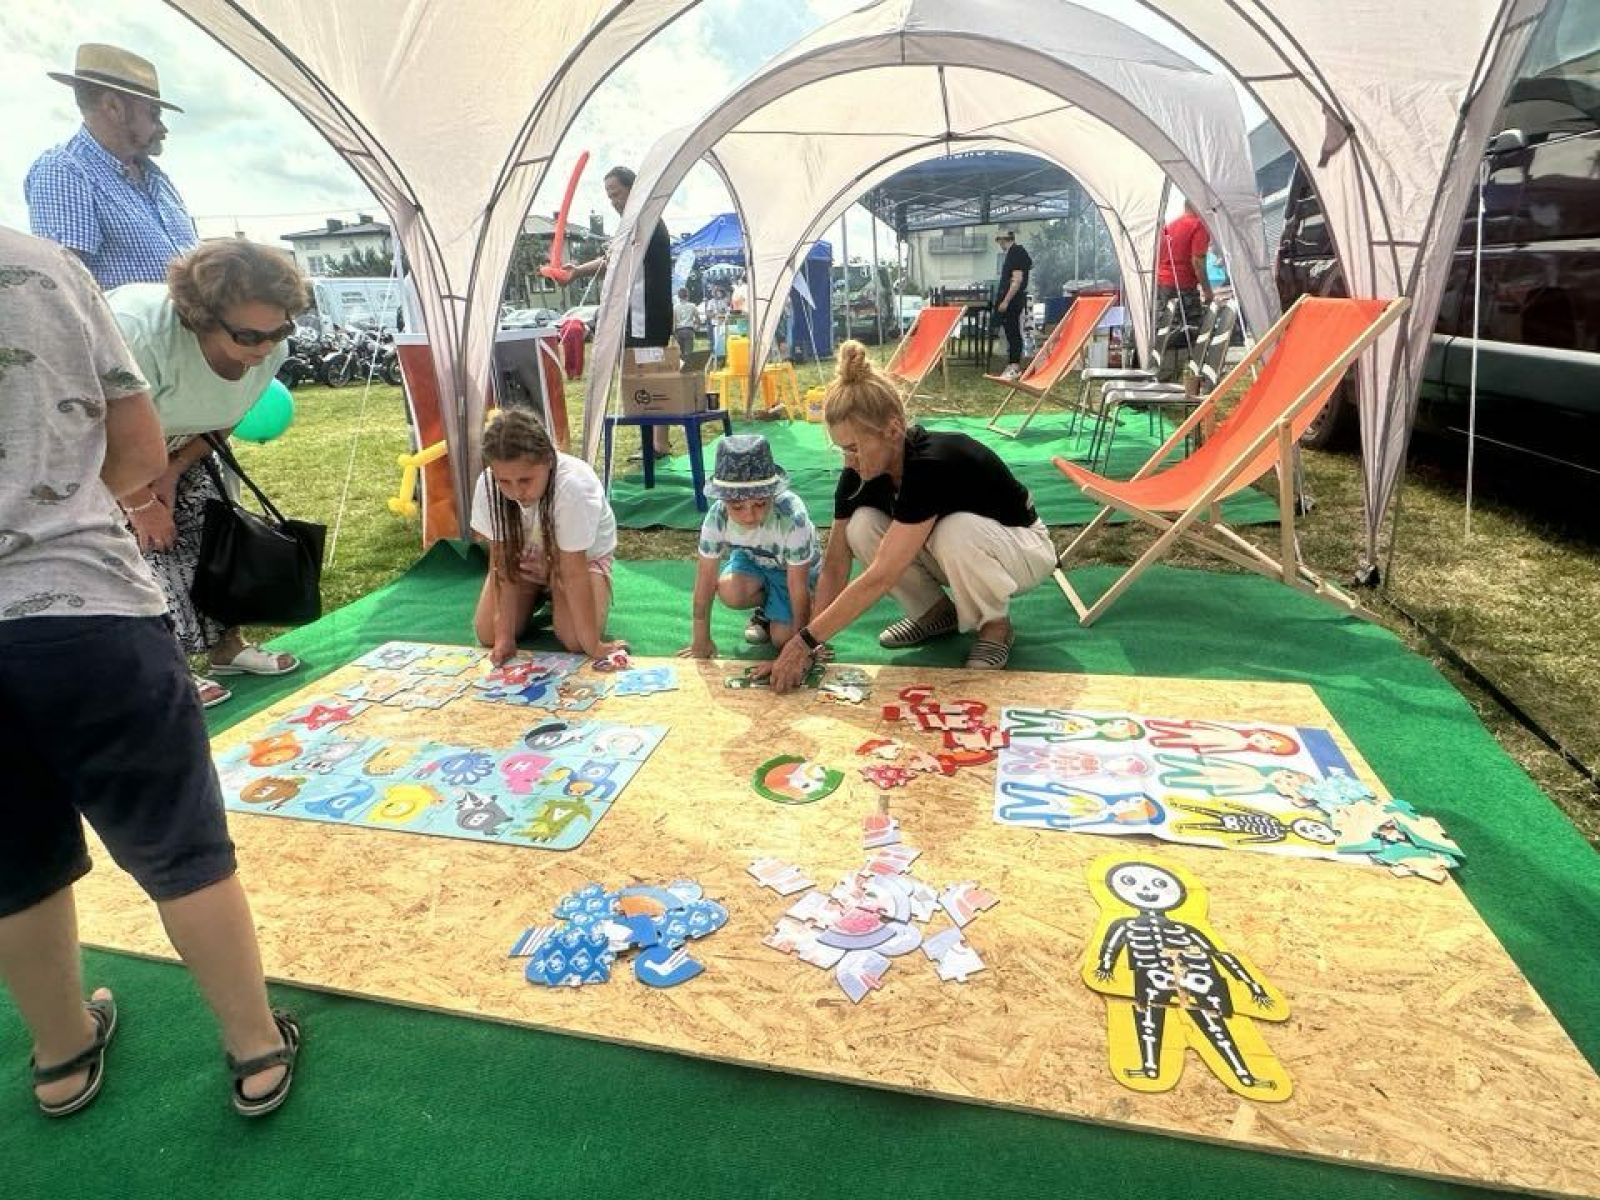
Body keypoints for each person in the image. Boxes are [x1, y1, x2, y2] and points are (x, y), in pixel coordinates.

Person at [0, 225, 301, 1120]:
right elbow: (134, 448)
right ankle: (255, 1047)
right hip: (82, 606)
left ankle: (61, 1054)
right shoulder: (43, 266)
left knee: (13, 862)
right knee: (183, 846)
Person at [767, 342, 1055, 689]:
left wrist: (803, 643)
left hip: (1023, 551)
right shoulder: (858, 474)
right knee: (861, 526)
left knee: (955, 530)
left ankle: (995, 625)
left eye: (854, 448)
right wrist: (809, 643)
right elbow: (836, 563)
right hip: (960, 554)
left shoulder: (932, 463)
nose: (849, 460)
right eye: (843, 450)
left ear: (893, 430)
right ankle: (935, 614)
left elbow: (883, 575)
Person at [109, 240, 312, 708]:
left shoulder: (271, 347)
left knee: (212, 537)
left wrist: (174, 469)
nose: (266, 347)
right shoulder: (138, 333)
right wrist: (140, 501)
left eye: (279, 330)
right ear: (201, 318)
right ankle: (167, 668)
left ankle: (227, 648)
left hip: (183, 443)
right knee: (142, 554)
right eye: (249, 336)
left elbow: (229, 414)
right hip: (111, 450)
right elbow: (100, 431)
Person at [26, 44, 197, 291]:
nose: (162, 128)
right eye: (153, 114)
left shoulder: (156, 178)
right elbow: (67, 289)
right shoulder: (65, 172)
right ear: (114, 107)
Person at [471, 408, 623, 666]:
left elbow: (574, 573)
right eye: (504, 482)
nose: (516, 492)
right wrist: (504, 636)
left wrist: (594, 645)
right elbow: (502, 563)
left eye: (525, 480)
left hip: (581, 563)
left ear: (548, 460)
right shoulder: (488, 486)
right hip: (527, 564)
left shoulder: (573, 487)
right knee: (488, 633)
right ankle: (539, 595)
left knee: (576, 641)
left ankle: (555, 594)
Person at [680, 435, 819, 658]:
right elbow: (705, 579)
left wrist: (803, 645)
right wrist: (700, 638)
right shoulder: (717, 516)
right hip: (753, 562)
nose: (749, 516)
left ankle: (809, 607)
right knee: (730, 591)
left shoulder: (792, 517)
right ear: (723, 500)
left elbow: (797, 585)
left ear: (773, 493)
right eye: (737, 507)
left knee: (783, 640)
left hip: (792, 572)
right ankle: (768, 610)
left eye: (760, 504)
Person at [567, 165, 673, 456]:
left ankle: (657, 443)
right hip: (638, 315)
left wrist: (578, 272)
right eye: (609, 196)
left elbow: (614, 262)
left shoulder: (645, 221)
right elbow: (612, 260)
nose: (614, 201)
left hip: (647, 315)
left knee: (647, 374)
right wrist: (577, 272)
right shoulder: (634, 224)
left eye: (617, 193)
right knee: (641, 374)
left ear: (633, 190)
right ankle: (655, 442)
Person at [1155, 200, 1214, 345]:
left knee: (1165, 332)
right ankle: (1191, 358)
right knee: (1192, 333)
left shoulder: (1169, 226)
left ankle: (1166, 359)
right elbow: (1197, 262)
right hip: (1183, 287)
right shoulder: (1198, 225)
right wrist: (1208, 292)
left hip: (1162, 286)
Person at [994, 230, 1033, 380]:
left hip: (1013, 300)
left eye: (999, 241)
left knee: (1013, 332)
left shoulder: (1016, 253)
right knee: (1011, 332)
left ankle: (1014, 366)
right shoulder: (1014, 253)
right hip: (1013, 299)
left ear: (1003, 240)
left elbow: (1016, 280)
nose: (1000, 245)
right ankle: (1012, 364)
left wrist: (1006, 301)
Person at [557, 313, 587, 380]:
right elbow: (586, 331)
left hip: (565, 331)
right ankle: (577, 374)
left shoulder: (565, 321)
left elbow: (560, 334)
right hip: (578, 330)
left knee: (568, 353)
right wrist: (582, 339)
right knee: (578, 353)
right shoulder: (580, 321)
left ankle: (569, 374)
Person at [672, 287, 697, 360]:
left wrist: (673, 332)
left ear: (679, 296)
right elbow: (697, 318)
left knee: (680, 351)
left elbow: (674, 320)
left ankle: (682, 364)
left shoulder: (675, 307)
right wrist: (696, 327)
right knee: (689, 351)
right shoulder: (692, 306)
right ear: (687, 295)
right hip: (689, 329)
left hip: (679, 330)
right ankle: (688, 365)